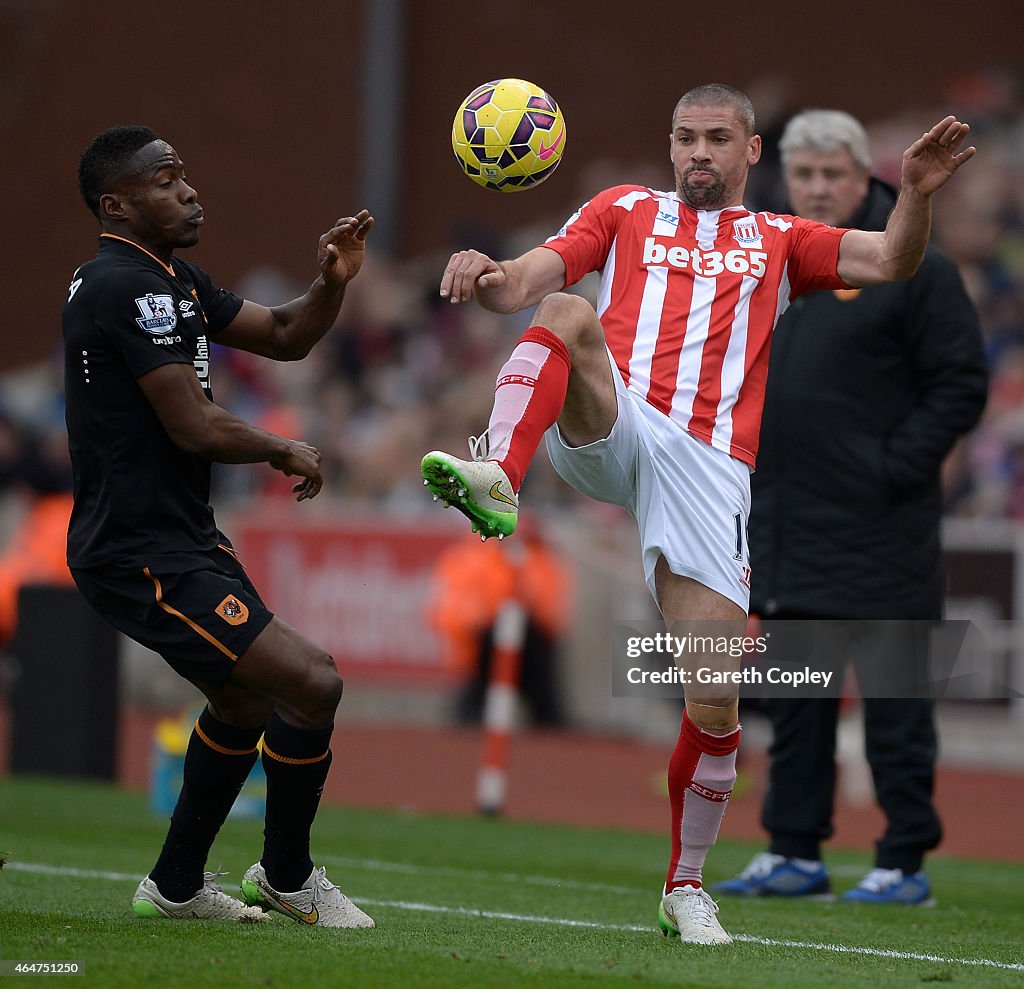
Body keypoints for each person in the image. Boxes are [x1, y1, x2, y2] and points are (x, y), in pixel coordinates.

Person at [419, 84, 975, 944]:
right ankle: (499, 470)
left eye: (718, 138)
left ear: (752, 153)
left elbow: (893, 262)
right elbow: (534, 278)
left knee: (714, 704)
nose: (698, 153)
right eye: (685, 137)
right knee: (566, 311)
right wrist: (490, 277)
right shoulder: (624, 208)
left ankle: (685, 885)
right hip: (619, 419)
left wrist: (916, 193)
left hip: (710, 470)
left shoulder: (783, 240)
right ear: (669, 144)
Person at [63, 125, 375, 927]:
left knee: (242, 702)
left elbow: (284, 335)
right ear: (117, 204)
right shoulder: (120, 286)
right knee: (311, 679)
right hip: (139, 549)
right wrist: (282, 447)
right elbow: (192, 426)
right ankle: (286, 875)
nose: (190, 190)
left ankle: (173, 887)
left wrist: (330, 282)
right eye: (168, 180)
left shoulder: (171, 280)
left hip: (177, 538)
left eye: (185, 176)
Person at [711, 110, 988, 906]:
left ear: (865, 175)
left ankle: (904, 862)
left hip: (888, 531)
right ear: (787, 180)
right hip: (791, 532)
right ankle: (793, 851)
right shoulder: (769, 258)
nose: (820, 187)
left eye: (834, 173)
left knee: (899, 706)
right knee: (795, 706)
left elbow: (962, 382)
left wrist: (889, 467)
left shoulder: (914, 264)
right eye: (806, 175)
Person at [429, 517, 572, 727]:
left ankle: (549, 724)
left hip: (531, 641)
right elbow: (454, 608)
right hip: (482, 641)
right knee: (475, 700)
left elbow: (551, 609)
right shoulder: (470, 557)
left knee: (544, 699)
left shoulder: (539, 558)